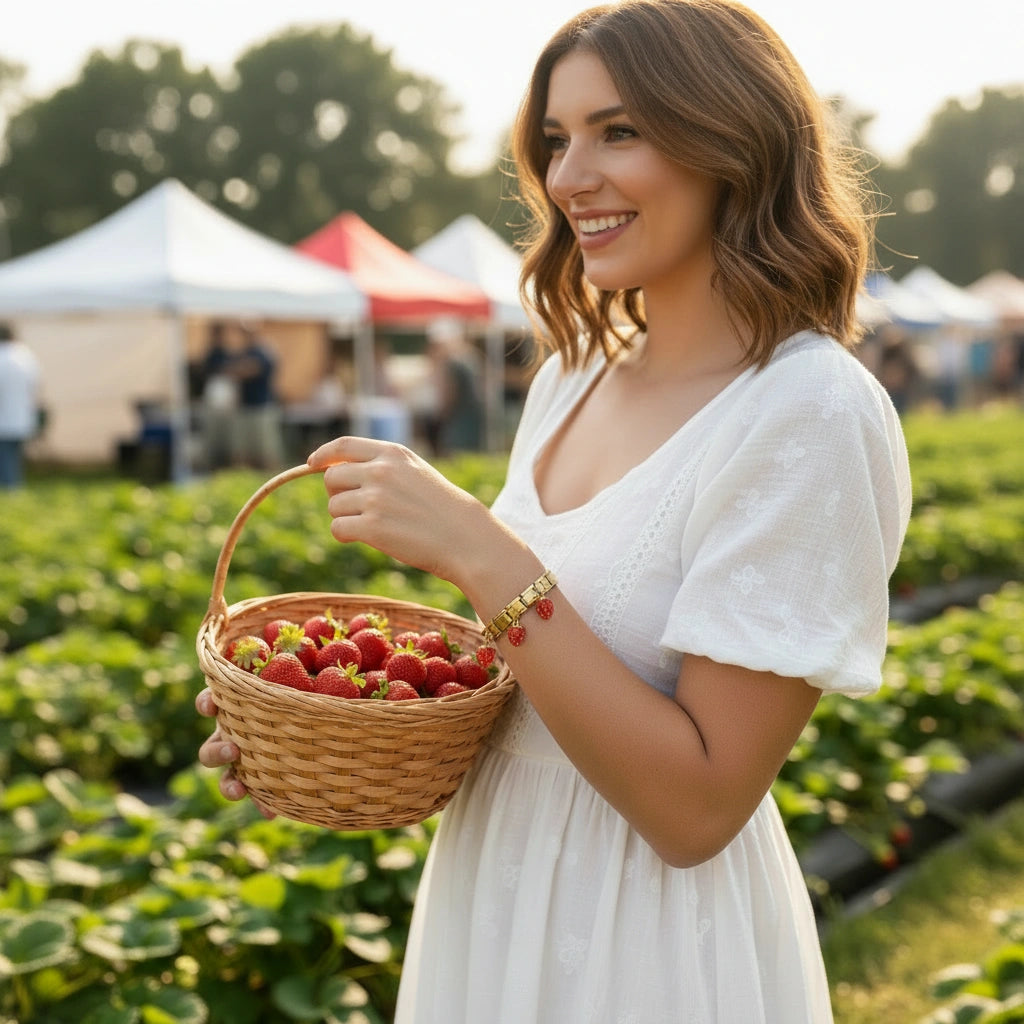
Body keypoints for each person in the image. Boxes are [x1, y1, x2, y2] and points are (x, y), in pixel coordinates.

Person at [197, 2, 912, 1020]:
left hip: (648, 943)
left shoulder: (808, 413)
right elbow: (533, 706)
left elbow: (696, 807)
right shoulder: (570, 379)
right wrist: (325, 738)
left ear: (733, 141)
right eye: (556, 138)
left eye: (619, 130)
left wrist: (483, 557)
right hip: (491, 886)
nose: (570, 175)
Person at [427, 317, 485, 454]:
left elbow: (449, 395)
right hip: (472, 420)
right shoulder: (471, 357)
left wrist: (439, 418)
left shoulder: (453, 362)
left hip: (458, 424)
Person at [0, 322, 41, 488]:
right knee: (13, 455)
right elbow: (35, 385)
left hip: (4, 416)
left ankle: (9, 488)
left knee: (5, 456)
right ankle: (13, 487)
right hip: (20, 415)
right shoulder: (25, 356)